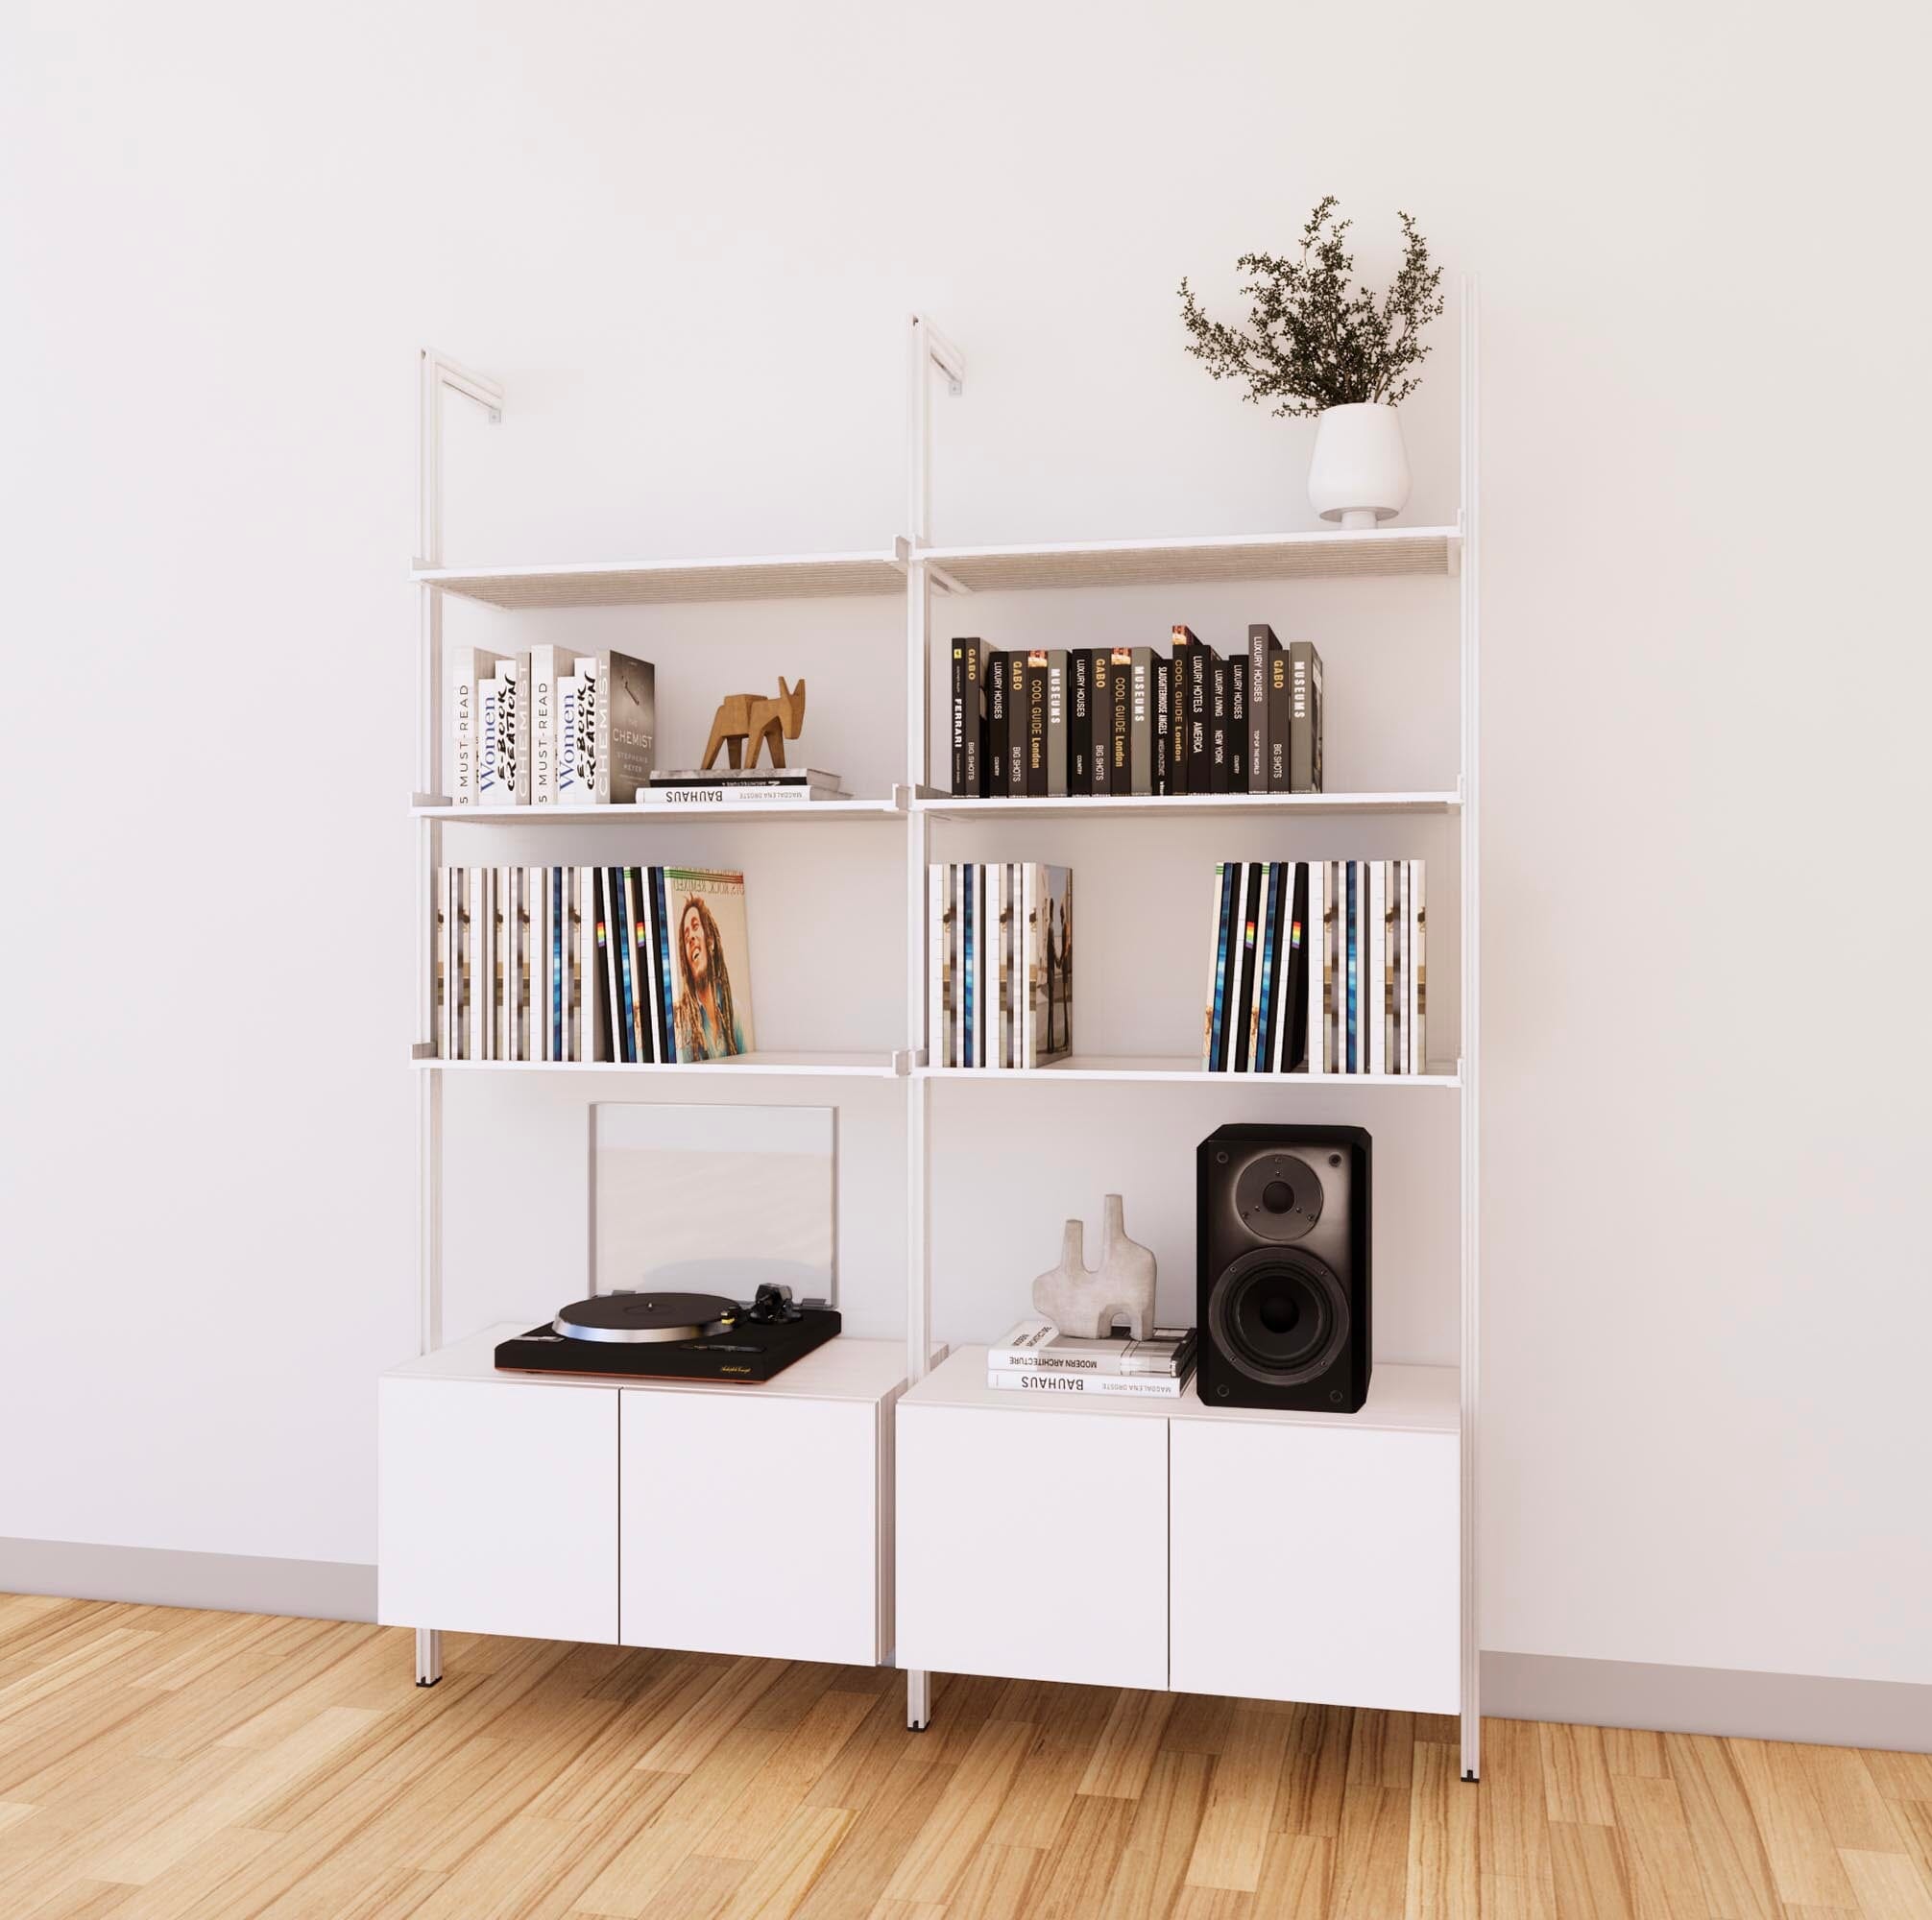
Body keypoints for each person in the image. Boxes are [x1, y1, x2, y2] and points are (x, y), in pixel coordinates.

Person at [673, 893, 746, 1059]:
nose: (691, 938)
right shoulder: (683, 1023)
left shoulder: (734, 1010)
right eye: (686, 936)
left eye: (695, 926)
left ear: (710, 941)